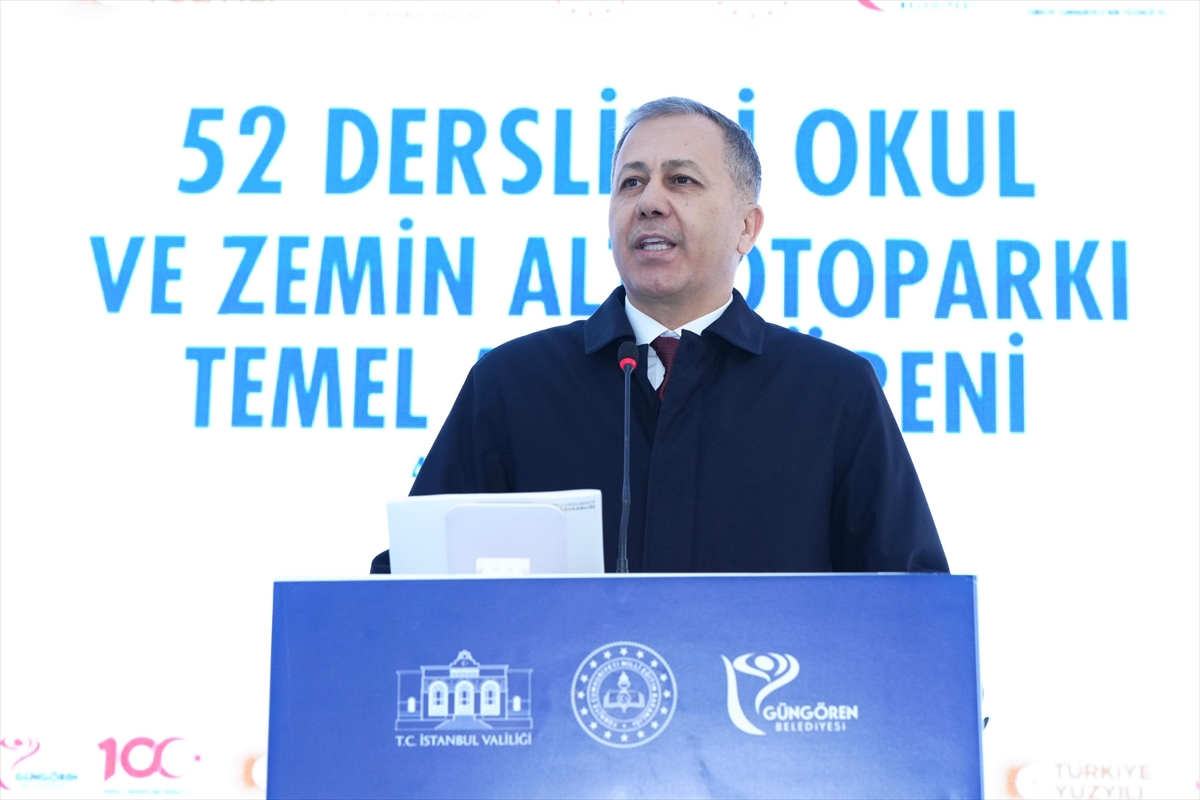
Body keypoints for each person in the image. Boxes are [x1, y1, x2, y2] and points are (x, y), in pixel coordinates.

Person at [371, 97, 948, 575]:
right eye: (631, 183)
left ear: (747, 227)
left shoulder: (831, 391)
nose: (649, 202)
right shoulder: (513, 384)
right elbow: (408, 587)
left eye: (681, 180)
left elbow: (912, 605)